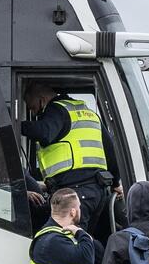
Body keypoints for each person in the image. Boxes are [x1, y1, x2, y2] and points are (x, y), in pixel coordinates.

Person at [21, 82, 121, 236]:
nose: (33, 113)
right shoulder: (87, 113)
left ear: (41, 100)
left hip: (76, 194)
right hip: (96, 191)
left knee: (68, 243)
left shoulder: (55, 110)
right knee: (84, 240)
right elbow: (110, 151)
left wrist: (15, 126)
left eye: (32, 108)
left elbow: (45, 133)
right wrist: (115, 183)